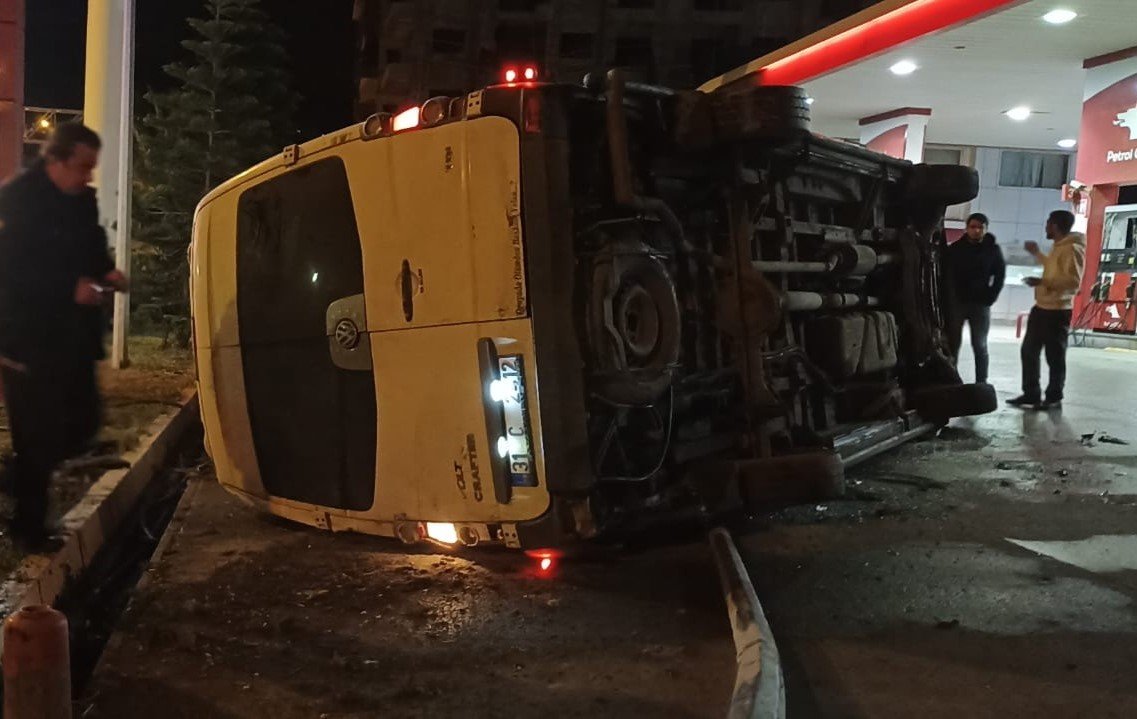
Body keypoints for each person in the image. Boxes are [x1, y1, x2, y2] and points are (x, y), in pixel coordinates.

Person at [0, 123, 127, 547]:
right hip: (27, 334)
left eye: (93, 167)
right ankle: (29, 527)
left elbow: (90, 242)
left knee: (83, 420)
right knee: (36, 434)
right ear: (55, 160)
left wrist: (105, 269)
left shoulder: (81, 200)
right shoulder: (18, 198)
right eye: (83, 166)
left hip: (71, 335)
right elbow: (12, 269)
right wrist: (67, 287)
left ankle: (14, 477)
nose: (89, 176)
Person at [1008, 210, 1086, 411]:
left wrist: (1042, 281)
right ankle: (1031, 393)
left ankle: (1053, 397)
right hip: (1041, 308)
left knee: (1055, 356)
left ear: (1056, 226)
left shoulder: (1072, 249)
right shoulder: (1058, 247)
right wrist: (1037, 255)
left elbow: (1073, 282)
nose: (1046, 227)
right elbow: (1054, 268)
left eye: (1048, 223)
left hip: (1057, 311)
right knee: (1029, 351)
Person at [946, 213, 1005, 384]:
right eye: (973, 227)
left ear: (986, 229)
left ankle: (982, 381)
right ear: (967, 228)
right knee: (952, 345)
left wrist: (991, 297)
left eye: (980, 227)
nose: (976, 230)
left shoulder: (992, 250)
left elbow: (999, 275)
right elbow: (947, 276)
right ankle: (951, 379)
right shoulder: (955, 249)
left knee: (980, 345)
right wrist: (949, 299)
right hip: (958, 303)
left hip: (980, 304)